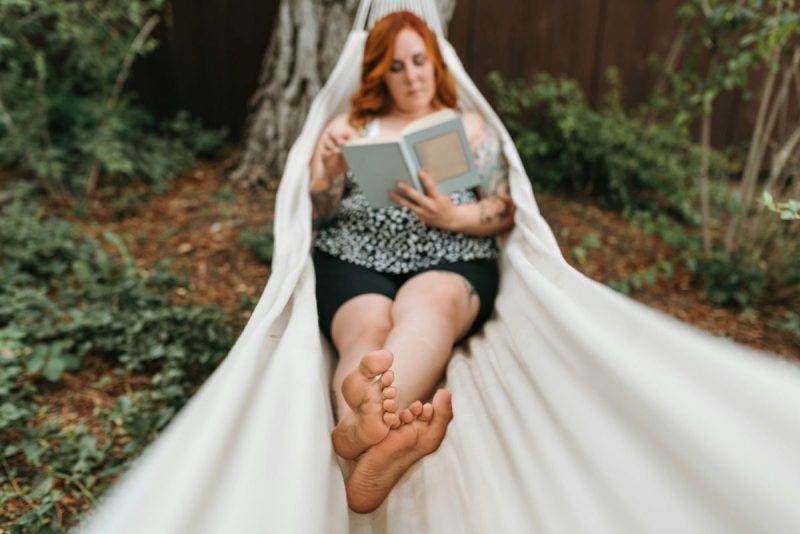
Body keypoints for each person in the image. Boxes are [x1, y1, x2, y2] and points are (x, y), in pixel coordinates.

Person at [308, 10, 515, 513]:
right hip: (357, 254)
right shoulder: (348, 128)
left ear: (435, 62)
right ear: (379, 73)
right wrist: (331, 169)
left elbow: (504, 208)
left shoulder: (470, 127)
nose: (411, 77)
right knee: (367, 328)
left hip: (451, 256)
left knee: (430, 305)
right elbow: (318, 211)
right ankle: (367, 437)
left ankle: (360, 433)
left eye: (419, 61)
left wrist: (454, 216)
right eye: (396, 67)